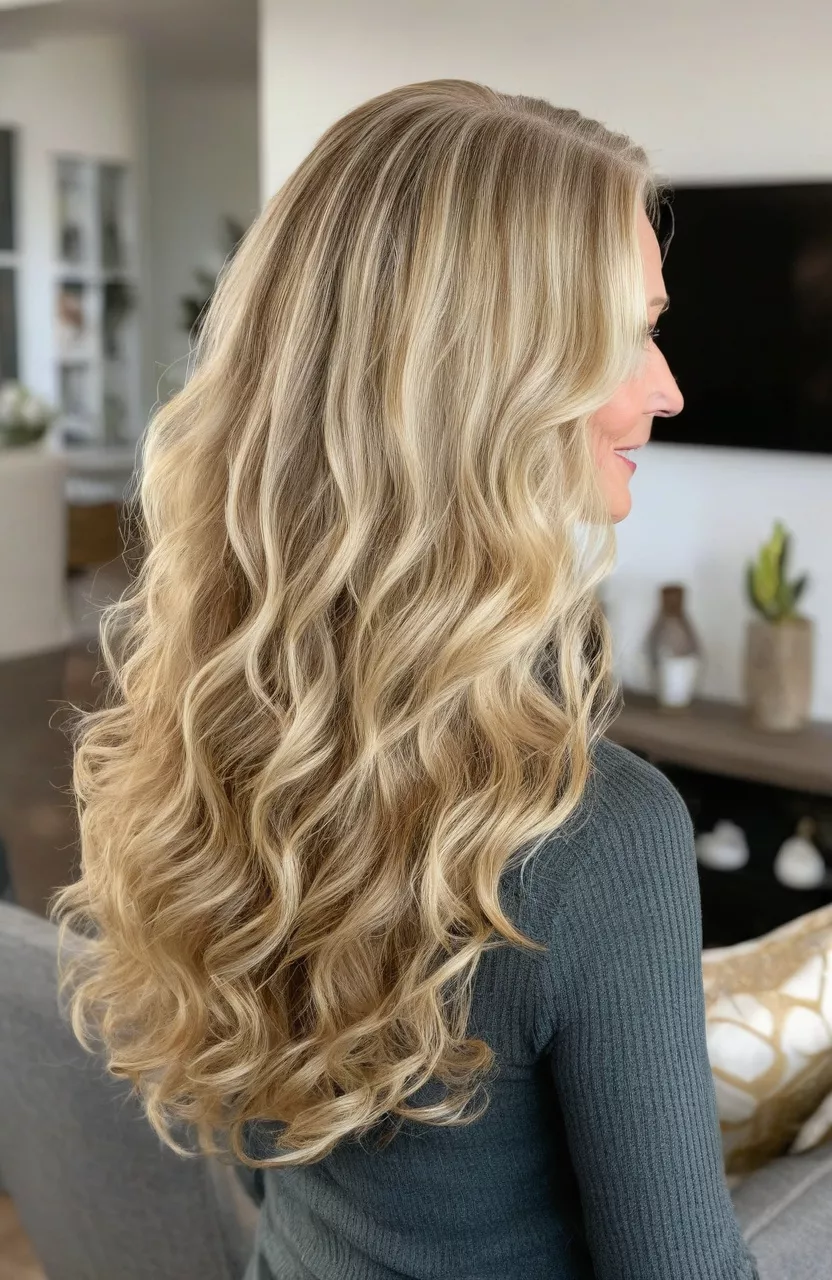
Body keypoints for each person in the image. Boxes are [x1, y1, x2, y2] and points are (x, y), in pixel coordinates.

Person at [49, 80, 760, 1279]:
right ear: (493, 382)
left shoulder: (219, 728)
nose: (666, 387)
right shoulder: (597, 838)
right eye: (629, 334)